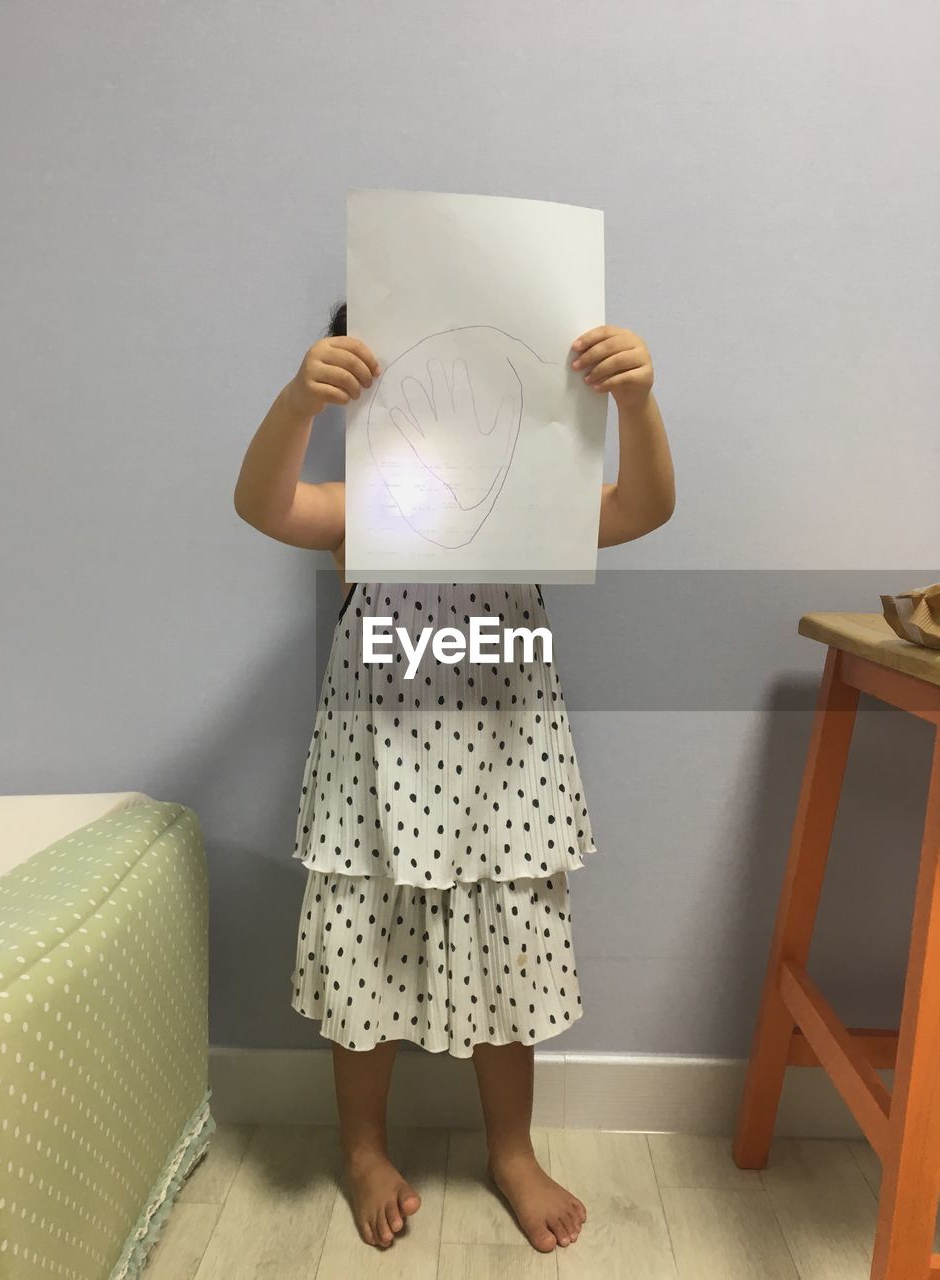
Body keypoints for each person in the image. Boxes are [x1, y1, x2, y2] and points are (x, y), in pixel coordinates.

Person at [233, 298, 675, 1253]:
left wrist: (637, 404)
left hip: (506, 778)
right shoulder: (364, 506)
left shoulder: (532, 506)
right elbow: (265, 505)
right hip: (378, 787)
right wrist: (293, 405)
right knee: (363, 963)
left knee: (508, 963)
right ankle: (363, 1151)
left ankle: (509, 1151)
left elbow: (642, 508)